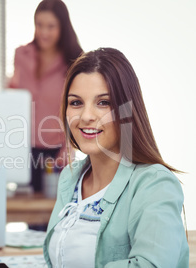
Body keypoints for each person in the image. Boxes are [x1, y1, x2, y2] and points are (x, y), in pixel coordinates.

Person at [43, 47, 189, 267]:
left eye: (103, 102)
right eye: (76, 103)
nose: (86, 116)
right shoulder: (70, 177)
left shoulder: (155, 184)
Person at [9, 0, 83, 192]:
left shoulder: (73, 61)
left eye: (51, 26)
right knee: (28, 210)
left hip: (57, 150)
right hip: (24, 150)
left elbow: (77, 108)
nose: (43, 32)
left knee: (57, 212)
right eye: (39, 25)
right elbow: (13, 98)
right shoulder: (21, 55)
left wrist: (69, 148)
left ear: (62, 27)